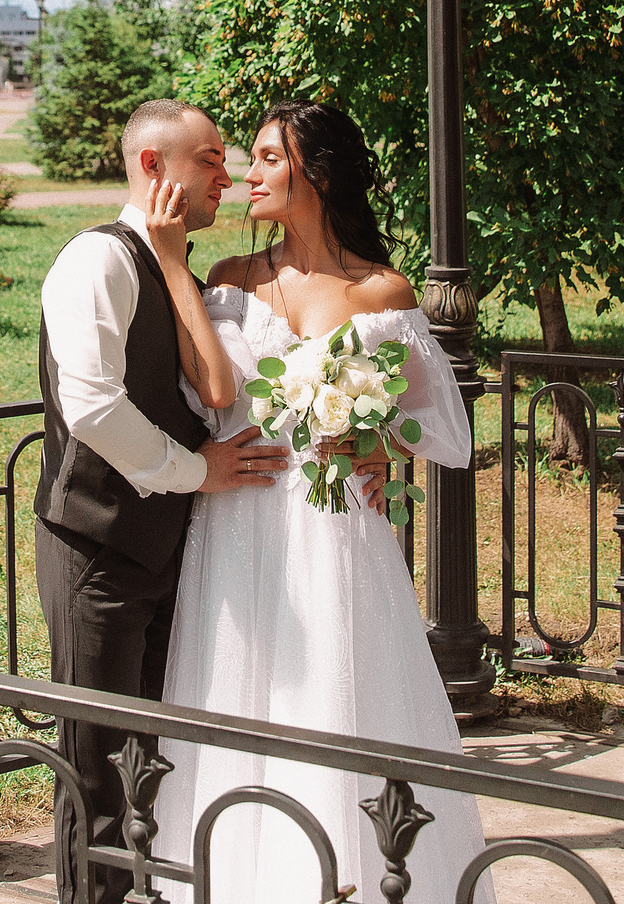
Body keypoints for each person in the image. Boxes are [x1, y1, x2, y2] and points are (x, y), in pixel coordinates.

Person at [151, 99, 486, 902]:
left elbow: (438, 423)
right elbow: (208, 387)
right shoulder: (231, 278)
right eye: (252, 158)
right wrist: (171, 264)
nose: (249, 174)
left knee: (334, 699)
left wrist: (377, 442)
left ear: (319, 172)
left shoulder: (381, 289)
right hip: (238, 517)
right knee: (238, 689)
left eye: (269, 158)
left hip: (335, 530)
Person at [34, 98, 287, 904]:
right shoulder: (96, 261)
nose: (228, 174)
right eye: (210, 158)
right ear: (154, 167)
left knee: (151, 759)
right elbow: (95, 408)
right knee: (95, 770)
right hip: (99, 549)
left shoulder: (174, 267)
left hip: (166, 549)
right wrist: (197, 470)